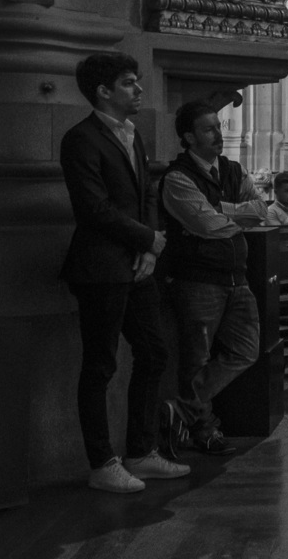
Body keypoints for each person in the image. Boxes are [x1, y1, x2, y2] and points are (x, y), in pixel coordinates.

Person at [59, 53, 188, 493]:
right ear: (104, 91)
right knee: (100, 366)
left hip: (136, 264)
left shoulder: (133, 136)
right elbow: (93, 209)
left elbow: (147, 192)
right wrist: (146, 241)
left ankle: (141, 451)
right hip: (99, 267)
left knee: (153, 352)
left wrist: (151, 245)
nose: (138, 91)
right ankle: (102, 464)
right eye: (130, 83)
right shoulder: (81, 139)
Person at [159, 101, 267, 456]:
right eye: (208, 129)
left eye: (219, 126)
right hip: (198, 279)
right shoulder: (177, 177)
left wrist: (220, 211)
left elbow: (261, 210)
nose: (218, 134)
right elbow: (205, 225)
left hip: (237, 276)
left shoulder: (233, 171)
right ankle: (204, 429)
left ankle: (180, 408)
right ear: (189, 137)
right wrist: (235, 215)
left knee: (246, 351)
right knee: (197, 358)